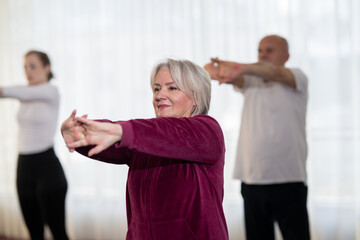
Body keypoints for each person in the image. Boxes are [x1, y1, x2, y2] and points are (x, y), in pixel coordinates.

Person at [61, 58, 229, 240]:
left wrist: (122, 131)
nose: (159, 95)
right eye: (157, 89)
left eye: (172, 88)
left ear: (196, 97)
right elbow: (112, 139)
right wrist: (80, 134)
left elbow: (167, 132)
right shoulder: (146, 139)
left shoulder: (207, 130)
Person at [204, 35, 310, 240]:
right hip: (252, 180)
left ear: (286, 56)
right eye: (260, 51)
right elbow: (219, 72)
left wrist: (239, 67)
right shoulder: (250, 80)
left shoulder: (297, 77)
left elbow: (270, 71)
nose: (262, 55)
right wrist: (216, 68)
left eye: (269, 50)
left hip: (289, 178)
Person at [0, 50, 69, 240]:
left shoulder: (50, 91)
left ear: (47, 69)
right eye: (25, 67)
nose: (27, 72)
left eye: (33, 66)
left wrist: (2, 90)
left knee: (58, 233)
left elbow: (13, 91)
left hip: (47, 168)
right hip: (23, 168)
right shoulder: (26, 95)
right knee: (34, 234)